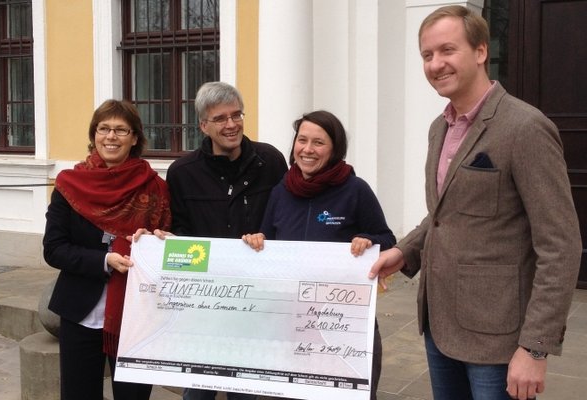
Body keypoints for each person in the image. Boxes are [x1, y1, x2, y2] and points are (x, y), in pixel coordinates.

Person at [368, 5, 582, 400]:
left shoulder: (525, 127)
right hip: (438, 324)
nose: (436, 64)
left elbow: (561, 246)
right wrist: (404, 251)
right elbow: (444, 214)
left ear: (481, 51)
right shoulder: (439, 127)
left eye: (447, 50)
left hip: (498, 339)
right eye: (427, 55)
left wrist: (535, 346)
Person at [141, 81, 287, 400]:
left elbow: (283, 219)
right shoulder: (182, 172)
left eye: (236, 115)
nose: (231, 125)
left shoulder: (271, 161)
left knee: (246, 391)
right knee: (198, 390)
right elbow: (180, 230)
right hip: (205, 302)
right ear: (203, 125)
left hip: (257, 298)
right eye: (220, 119)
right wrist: (165, 242)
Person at [242, 110, 396, 400]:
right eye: (302, 140)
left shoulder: (356, 190)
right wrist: (256, 240)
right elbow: (267, 239)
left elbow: (387, 239)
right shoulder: (281, 192)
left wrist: (368, 240)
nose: (308, 150)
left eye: (318, 142)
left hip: (344, 325)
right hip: (291, 323)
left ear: (335, 149)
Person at [43, 100, 172, 400]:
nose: (110, 137)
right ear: (94, 134)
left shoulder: (155, 189)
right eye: (103, 128)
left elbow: (166, 248)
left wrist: (159, 239)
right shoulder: (69, 184)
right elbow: (54, 249)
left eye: (120, 130)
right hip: (79, 312)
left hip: (136, 315)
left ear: (135, 138)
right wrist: (104, 260)